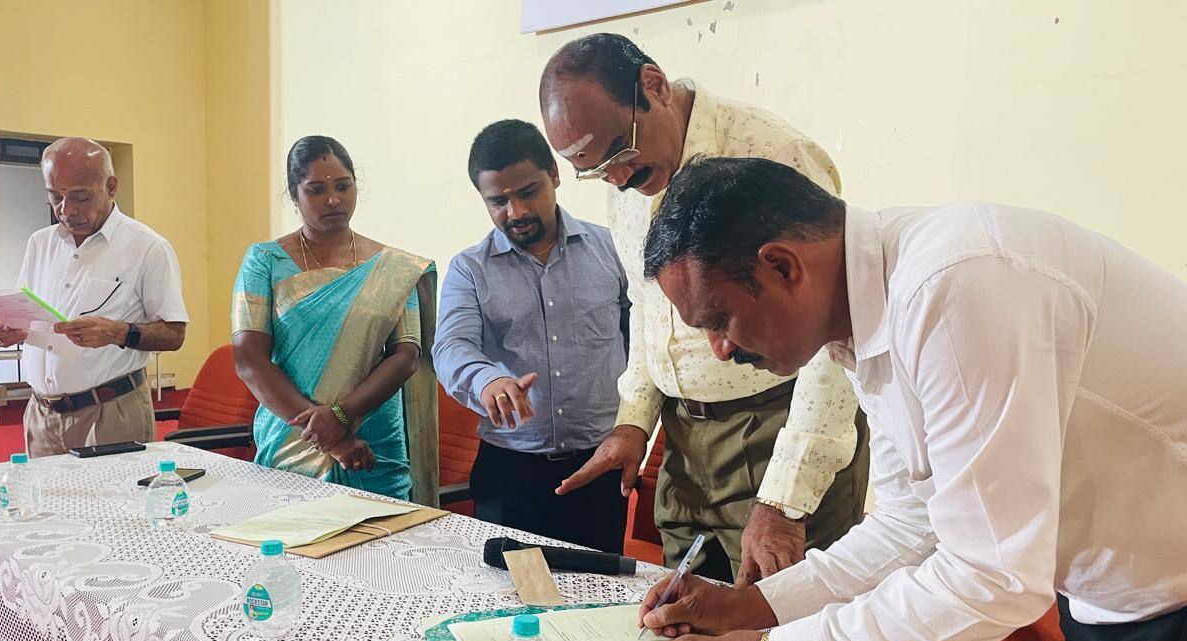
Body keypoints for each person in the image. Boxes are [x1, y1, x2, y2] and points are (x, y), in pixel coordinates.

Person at [607, 156, 1187, 641]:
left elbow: (993, 577)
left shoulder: (953, 287)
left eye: (718, 320)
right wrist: (753, 607)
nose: (720, 350)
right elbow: (911, 523)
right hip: (1108, 602)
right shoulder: (868, 316)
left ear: (782, 266)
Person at [539, 33, 866, 584]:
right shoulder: (629, 176)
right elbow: (647, 305)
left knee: (786, 627)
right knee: (684, 618)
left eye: (619, 151)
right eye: (594, 170)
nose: (617, 178)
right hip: (685, 441)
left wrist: (785, 499)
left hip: (777, 427)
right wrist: (634, 420)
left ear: (653, 86)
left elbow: (834, 331)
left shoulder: (771, 154)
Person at [434, 119, 631, 552]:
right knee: (510, 592)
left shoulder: (613, 250)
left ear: (554, 176)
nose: (517, 212)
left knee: (600, 591)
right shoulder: (470, 269)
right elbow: (450, 346)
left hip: (599, 467)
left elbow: (639, 343)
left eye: (528, 192)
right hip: (510, 475)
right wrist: (487, 380)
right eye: (498, 201)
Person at [232, 136, 439, 504]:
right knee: (291, 535)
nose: (332, 199)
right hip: (291, 440)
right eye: (316, 190)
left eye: (343, 186)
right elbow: (250, 360)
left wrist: (342, 416)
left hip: (373, 441)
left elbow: (406, 355)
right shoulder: (264, 261)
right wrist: (330, 437)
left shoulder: (392, 267)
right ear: (294, 195)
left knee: (384, 536)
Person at [0, 137, 188, 458]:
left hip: (110, 413)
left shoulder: (147, 248)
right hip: (41, 414)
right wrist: (9, 328)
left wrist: (118, 332)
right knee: (44, 493)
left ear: (111, 186)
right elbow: (28, 314)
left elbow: (174, 334)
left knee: (115, 494)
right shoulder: (40, 243)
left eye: (80, 197)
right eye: (55, 196)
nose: (66, 210)